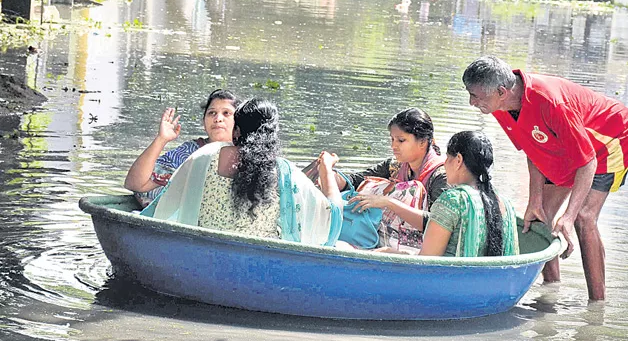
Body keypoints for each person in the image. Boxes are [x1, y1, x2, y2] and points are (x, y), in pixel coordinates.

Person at [462, 55, 628, 300]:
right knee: (538, 220)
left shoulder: (550, 103)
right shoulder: (499, 105)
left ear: (502, 91)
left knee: (583, 218)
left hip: (610, 137)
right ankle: (551, 291)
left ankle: (597, 306)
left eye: (476, 96)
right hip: (566, 140)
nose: (472, 102)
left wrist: (568, 215)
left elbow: (587, 162)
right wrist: (534, 200)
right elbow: (533, 148)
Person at [151, 98, 343, 246]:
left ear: (237, 129)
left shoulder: (204, 157)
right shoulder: (284, 171)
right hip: (260, 263)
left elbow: (164, 205)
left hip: (204, 252)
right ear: (272, 135)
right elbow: (333, 217)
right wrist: (326, 168)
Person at [319, 108, 447, 249]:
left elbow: (438, 225)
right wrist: (327, 173)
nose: (393, 146)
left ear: (422, 142)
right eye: (392, 139)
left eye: (401, 140)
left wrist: (388, 202)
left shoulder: (440, 177)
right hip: (386, 241)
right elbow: (355, 182)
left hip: (423, 250)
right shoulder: (394, 166)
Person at [124, 89, 240, 207]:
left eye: (226, 113)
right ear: (203, 123)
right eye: (212, 113)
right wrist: (161, 139)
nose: (218, 119)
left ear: (238, 122)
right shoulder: (189, 152)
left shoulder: (250, 153)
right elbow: (135, 184)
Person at [420, 131, 518, 257]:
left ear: (458, 160)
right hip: (495, 277)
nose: (444, 164)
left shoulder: (453, 201)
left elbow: (426, 260)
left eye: (448, 158)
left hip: (451, 276)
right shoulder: (505, 204)